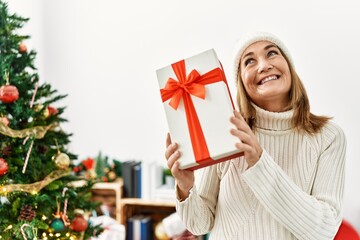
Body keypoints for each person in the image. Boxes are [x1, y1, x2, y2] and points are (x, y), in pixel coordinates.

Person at [165, 32, 346, 240]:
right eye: (249, 61)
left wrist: (259, 162)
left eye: (272, 53)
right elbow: (201, 224)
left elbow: (324, 230)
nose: (263, 66)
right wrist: (185, 187)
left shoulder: (328, 137)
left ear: (289, 67)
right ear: (241, 82)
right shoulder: (225, 131)